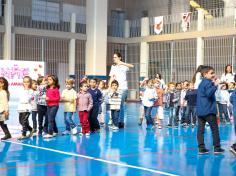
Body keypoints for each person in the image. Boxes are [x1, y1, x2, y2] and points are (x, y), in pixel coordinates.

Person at [196, 66, 224, 154]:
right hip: (208, 110)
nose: (213, 74)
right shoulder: (208, 82)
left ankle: (201, 148)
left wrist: (213, 83)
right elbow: (209, 93)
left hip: (200, 111)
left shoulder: (202, 83)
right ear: (205, 74)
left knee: (200, 130)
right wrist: (215, 85)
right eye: (211, 73)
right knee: (214, 129)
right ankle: (217, 147)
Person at [109, 52, 134, 128]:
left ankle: (121, 122)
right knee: (115, 104)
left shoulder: (124, 66)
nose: (114, 59)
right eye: (113, 57)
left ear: (119, 57)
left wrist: (122, 63)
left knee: (120, 104)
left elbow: (132, 66)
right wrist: (109, 87)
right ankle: (115, 121)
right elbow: (112, 77)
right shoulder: (113, 67)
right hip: (115, 89)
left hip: (123, 88)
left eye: (115, 57)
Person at [17, 76, 34, 140]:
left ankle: (23, 134)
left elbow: (27, 99)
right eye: (24, 82)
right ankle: (31, 129)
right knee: (21, 121)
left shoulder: (30, 91)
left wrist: (27, 90)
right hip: (21, 107)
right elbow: (21, 99)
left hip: (27, 108)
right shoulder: (21, 90)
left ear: (30, 83)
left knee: (24, 121)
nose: (26, 83)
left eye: (27, 82)